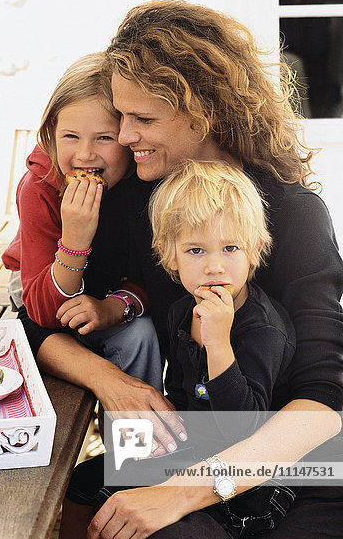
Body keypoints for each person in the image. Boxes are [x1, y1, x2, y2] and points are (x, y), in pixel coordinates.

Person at [23, 0, 343, 538]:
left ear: (206, 111)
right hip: (193, 436)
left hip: (298, 462)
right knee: (58, 490)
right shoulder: (132, 205)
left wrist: (182, 491)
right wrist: (114, 383)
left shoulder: (291, 213)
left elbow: (324, 402)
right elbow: (39, 325)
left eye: (143, 119)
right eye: (121, 116)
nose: (124, 136)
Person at [61, 159, 297, 538]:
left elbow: (247, 431)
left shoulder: (261, 329)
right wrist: (148, 445)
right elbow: (185, 395)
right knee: (85, 480)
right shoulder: (180, 312)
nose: (215, 266)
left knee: (157, 524)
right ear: (168, 255)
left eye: (230, 247)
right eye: (195, 251)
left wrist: (219, 345)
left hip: (249, 482)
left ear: (255, 250)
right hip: (194, 447)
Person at [1, 52, 162, 390]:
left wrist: (114, 307)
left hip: (117, 279)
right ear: (50, 134)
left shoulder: (147, 182)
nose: (85, 154)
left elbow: (158, 278)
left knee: (141, 335)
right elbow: (43, 315)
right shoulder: (39, 188)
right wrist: (74, 240)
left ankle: (139, 442)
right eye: (70, 137)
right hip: (41, 274)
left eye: (104, 137)